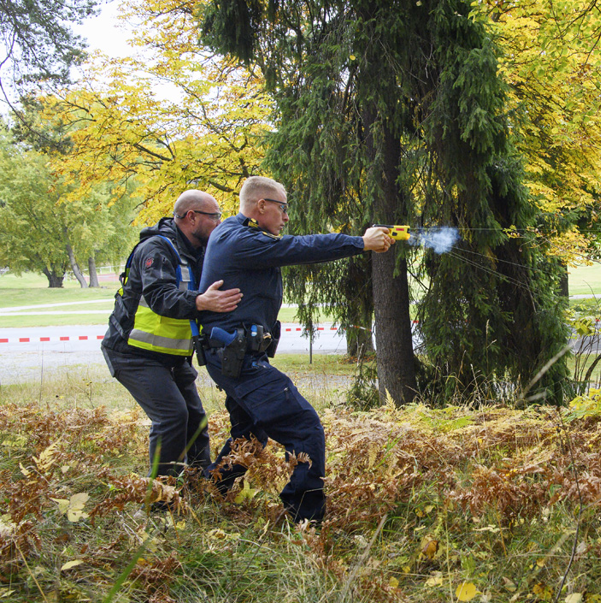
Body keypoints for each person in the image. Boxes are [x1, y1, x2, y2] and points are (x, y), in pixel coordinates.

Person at [198, 175, 393, 524]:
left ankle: (212, 492)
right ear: (261, 206)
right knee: (304, 427)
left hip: (233, 354)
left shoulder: (231, 231)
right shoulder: (242, 241)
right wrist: (360, 242)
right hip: (238, 357)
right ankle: (304, 518)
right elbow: (302, 248)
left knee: (249, 433)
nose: (286, 218)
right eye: (282, 209)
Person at [102, 190, 242, 478]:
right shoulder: (156, 249)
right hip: (133, 354)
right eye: (214, 216)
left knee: (195, 420)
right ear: (192, 217)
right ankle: (162, 496)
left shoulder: (200, 252)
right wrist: (200, 301)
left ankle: (200, 484)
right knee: (172, 416)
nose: (219, 222)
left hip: (172, 356)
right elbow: (160, 296)